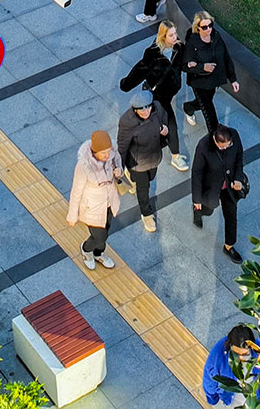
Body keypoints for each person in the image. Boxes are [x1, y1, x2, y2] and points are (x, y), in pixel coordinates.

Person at [121, 21, 191, 169]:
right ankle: (175, 156)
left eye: (175, 33)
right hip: (156, 96)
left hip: (168, 93)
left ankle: (140, 150)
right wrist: (125, 84)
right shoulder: (153, 53)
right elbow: (139, 71)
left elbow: (183, 64)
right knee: (170, 124)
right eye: (171, 35)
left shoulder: (179, 48)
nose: (175, 37)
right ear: (163, 36)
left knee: (154, 126)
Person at [65, 130, 125, 271]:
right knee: (99, 236)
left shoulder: (112, 155)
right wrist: (72, 215)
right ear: (94, 151)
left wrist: (119, 171)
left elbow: (119, 166)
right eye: (103, 153)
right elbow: (76, 191)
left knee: (106, 231)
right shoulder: (83, 166)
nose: (107, 155)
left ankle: (99, 253)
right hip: (92, 207)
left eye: (109, 151)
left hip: (109, 202)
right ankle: (86, 250)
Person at [191, 123, 248, 263]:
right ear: (215, 141)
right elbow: (197, 172)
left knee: (231, 214)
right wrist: (197, 199)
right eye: (223, 147)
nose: (226, 148)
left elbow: (239, 158)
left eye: (229, 145)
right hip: (211, 187)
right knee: (208, 210)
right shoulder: (203, 146)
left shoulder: (234, 135)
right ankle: (198, 212)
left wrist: (238, 178)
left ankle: (229, 246)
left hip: (229, 186)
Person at [118, 91, 173, 233]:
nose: (146, 112)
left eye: (148, 107)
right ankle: (146, 214)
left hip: (154, 156)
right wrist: (119, 166)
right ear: (135, 110)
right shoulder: (127, 122)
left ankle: (132, 177)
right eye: (142, 110)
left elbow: (164, 118)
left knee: (151, 177)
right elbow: (122, 146)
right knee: (143, 188)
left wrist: (164, 127)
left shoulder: (157, 107)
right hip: (137, 162)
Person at [178, 9, 238, 136]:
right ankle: (216, 136)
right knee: (209, 110)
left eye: (210, 25)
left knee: (203, 103)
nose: (208, 29)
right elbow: (184, 66)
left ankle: (189, 107)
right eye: (204, 27)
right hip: (199, 82)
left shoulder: (216, 36)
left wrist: (233, 79)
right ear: (198, 28)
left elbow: (226, 57)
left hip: (214, 80)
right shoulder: (192, 43)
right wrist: (202, 67)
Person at [202, 324, 260, 407]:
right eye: (236, 353)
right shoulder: (218, 354)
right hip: (231, 398)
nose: (240, 358)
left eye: (245, 354)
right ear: (230, 345)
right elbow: (209, 377)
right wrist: (212, 398)